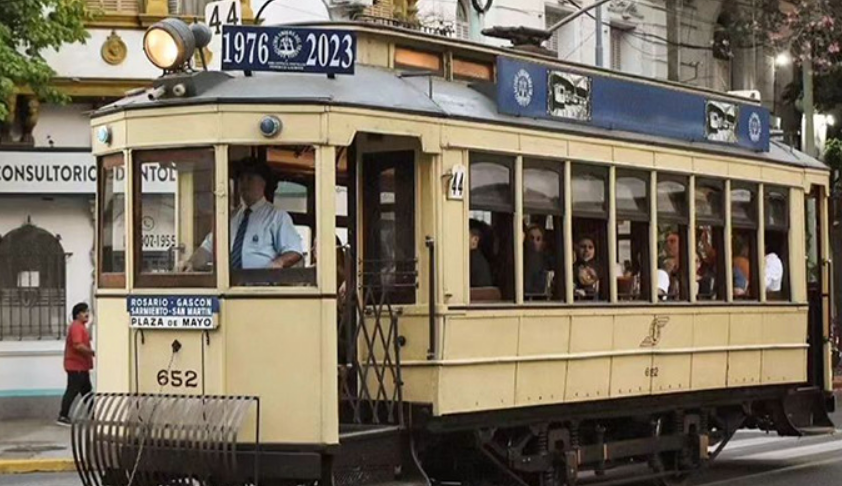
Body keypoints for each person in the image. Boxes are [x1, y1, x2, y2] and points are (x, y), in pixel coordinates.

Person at [185, 159, 303, 271]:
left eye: (250, 179)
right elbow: (207, 249)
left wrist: (279, 263)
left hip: (262, 286)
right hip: (228, 287)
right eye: (241, 179)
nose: (244, 184)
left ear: (263, 183)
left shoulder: (277, 217)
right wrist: (190, 263)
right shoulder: (229, 217)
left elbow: (294, 251)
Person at [57, 303, 94, 426]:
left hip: (81, 366)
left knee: (87, 392)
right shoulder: (76, 327)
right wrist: (91, 352)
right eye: (84, 312)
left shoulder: (81, 326)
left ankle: (94, 415)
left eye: (87, 311)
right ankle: (63, 415)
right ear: (77, 314)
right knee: (73, 391)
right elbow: (77, 345)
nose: (87, 314)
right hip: (76, 366)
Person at [524, 224, 554, 297]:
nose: (534, 242)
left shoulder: (549, 262)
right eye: (531, 238)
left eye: (538, 239)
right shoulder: (520, 261)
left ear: (543, 243)